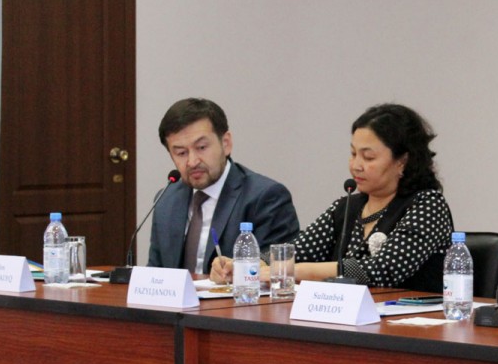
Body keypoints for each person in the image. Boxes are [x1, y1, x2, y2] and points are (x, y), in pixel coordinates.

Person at [212, 103, 454, 292]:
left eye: (368, 157)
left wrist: (291, 270)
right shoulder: (347, 207)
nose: (356, 165)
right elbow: (299, 249)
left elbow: (383, 269)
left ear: (402, 161)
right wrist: (249, 264)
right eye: (353, 154)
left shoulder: (427, 205)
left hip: (413, 325)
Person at [147, 97, 299, 273]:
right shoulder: (166, 200)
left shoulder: (267, 197)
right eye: (181, 153)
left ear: (226, 143)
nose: (192, 161)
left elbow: (275, 273)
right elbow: (155, 274)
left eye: (201, 147)